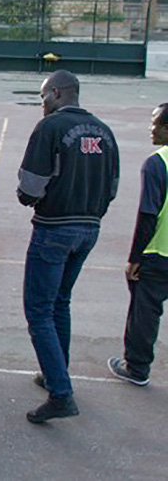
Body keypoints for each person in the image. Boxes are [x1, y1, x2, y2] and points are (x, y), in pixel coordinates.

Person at [17, 70, 119, 423]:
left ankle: (61, 392)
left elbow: (30, 187)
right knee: (60, 302)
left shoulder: (49, 129)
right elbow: (112, 187)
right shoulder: (104, 132)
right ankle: (55, 370)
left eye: (43, 96)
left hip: (54, 229)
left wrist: (28, 197)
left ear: (57, 93)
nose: (41, 103)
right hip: (89, 228)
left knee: (39, 311)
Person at [110, 103, 168, 387]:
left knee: (145, 311)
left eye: (156, 123)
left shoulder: (157, 163)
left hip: (159, 253)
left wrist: (135, 257)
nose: (151, 128)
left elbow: (148, 214)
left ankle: (137, 367)